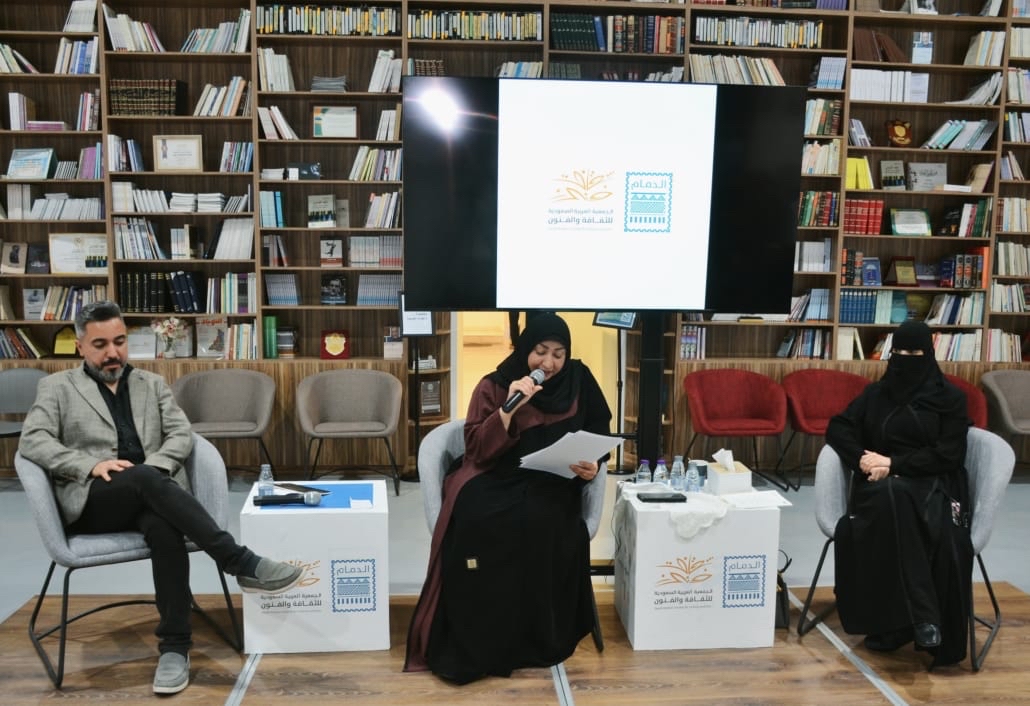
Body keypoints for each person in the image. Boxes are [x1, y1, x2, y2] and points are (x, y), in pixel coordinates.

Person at [19, 301, 302, 695]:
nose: (113, 352)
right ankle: (238, 561)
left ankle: (174, 647)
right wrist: (89, 465)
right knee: (141, 480)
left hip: (151, 495)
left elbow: (181, 435)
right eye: (100, 344)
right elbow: (33, 440)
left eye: (119, 341)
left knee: (163, 525)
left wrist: (154, 469)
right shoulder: (57, 388)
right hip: (95, 501)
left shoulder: (151, 383)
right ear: (80, 347)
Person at [405, 312, 612, 683]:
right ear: (525, 349)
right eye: (540, 351)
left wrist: (593, 466)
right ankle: (482, 637)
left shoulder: (579, 380)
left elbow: (599, 433)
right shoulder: (495, 384)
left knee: (543, 521)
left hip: (554, 482)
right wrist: (509, 407)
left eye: (558, 354)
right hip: (496, 474)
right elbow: (476, 450)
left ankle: (537, 636)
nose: (549, 363)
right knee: (477, 518)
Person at [825, 320, 972, 666]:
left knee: (897, 497)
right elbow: (838, 428)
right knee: (892, 495)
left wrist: (893, 463)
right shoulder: (876, 394)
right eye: (900, 352)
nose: (906, 358)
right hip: (878, 484)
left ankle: (903, 623)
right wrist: (864, 460)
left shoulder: (950, 399)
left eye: (914, 352)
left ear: (929, 354)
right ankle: (923, 618)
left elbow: (949, 455)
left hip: (932, 484)